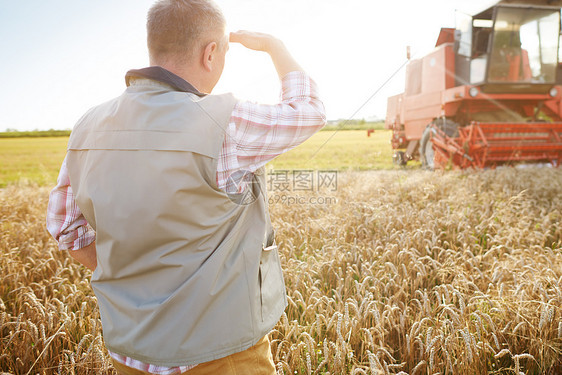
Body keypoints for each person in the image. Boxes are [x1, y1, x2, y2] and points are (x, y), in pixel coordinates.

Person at [46, 0, 326, 374]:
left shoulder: (88, 126)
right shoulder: (226, 122)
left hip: (128, 352)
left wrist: (135, 277)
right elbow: (309, 109)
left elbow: (65, 226)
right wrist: (276, 47)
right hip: (221, 356)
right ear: (210, 54)